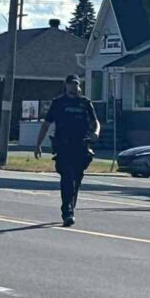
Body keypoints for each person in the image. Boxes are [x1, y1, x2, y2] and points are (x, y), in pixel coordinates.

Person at [34, 74, 100, 227]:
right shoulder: (58, 103)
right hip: (63, 146)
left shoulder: (85, 103)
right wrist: (38, 144)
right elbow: (46, 124)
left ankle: (71, 208)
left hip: (81, 146)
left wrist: (96, 132)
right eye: (70, 84)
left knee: (76, 179)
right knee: (67, 178)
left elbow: (95, 121)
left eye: (75, 84)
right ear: (66, 85)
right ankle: (67, 212)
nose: (73, 86)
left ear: (79, 85)